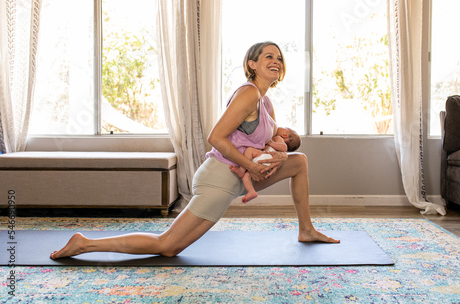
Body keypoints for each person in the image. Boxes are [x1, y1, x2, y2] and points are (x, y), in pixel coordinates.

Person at [50, 41, 339, 260]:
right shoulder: (249, 92)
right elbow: (216, 137)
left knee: (298, 161)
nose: (276, 61)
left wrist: (277, 153)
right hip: (219, 179)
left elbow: (268, 141)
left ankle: (306, 229)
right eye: (268, 56)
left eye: (279, 58)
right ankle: (84, 243)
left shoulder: (265, 103)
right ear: (252, 64)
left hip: (238, 176)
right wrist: (251, 166)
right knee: (167, 246)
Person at [231, 127, 301, 203]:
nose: (280, 127)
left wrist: (270, 142)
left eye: (284, 128)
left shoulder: (278, 138)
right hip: (264, 162)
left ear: (285, 135)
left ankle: (241, 170)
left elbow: (284, 148)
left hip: (267, 157)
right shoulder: (276, 138)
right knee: (246, 176)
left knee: (249, 150)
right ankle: (251, 191)